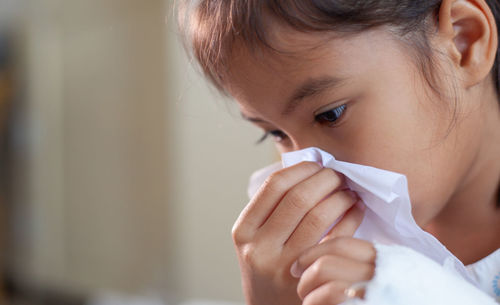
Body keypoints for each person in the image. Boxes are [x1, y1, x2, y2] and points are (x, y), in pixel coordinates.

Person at [177, 0, 500, 304]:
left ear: (465, 40)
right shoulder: (327, 259)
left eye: (330, 114)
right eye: (276, 134)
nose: (308, 167)